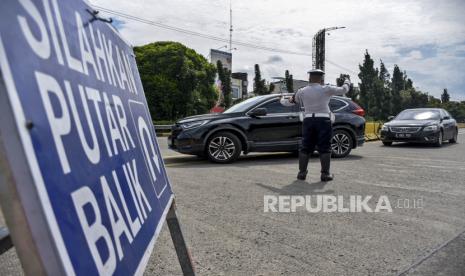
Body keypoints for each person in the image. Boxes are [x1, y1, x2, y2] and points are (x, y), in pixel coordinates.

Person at [280, 69, 351, 181]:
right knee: (325, 147)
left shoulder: (302, 91)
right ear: (322, 79)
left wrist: (281, 100)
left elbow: (290, 102)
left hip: (308, 120)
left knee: (305, 147)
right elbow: (344, 89)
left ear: (309, 78)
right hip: (323, 120)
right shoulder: (327, 89)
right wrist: (347, 81)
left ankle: (302, 173)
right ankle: (325, 174)